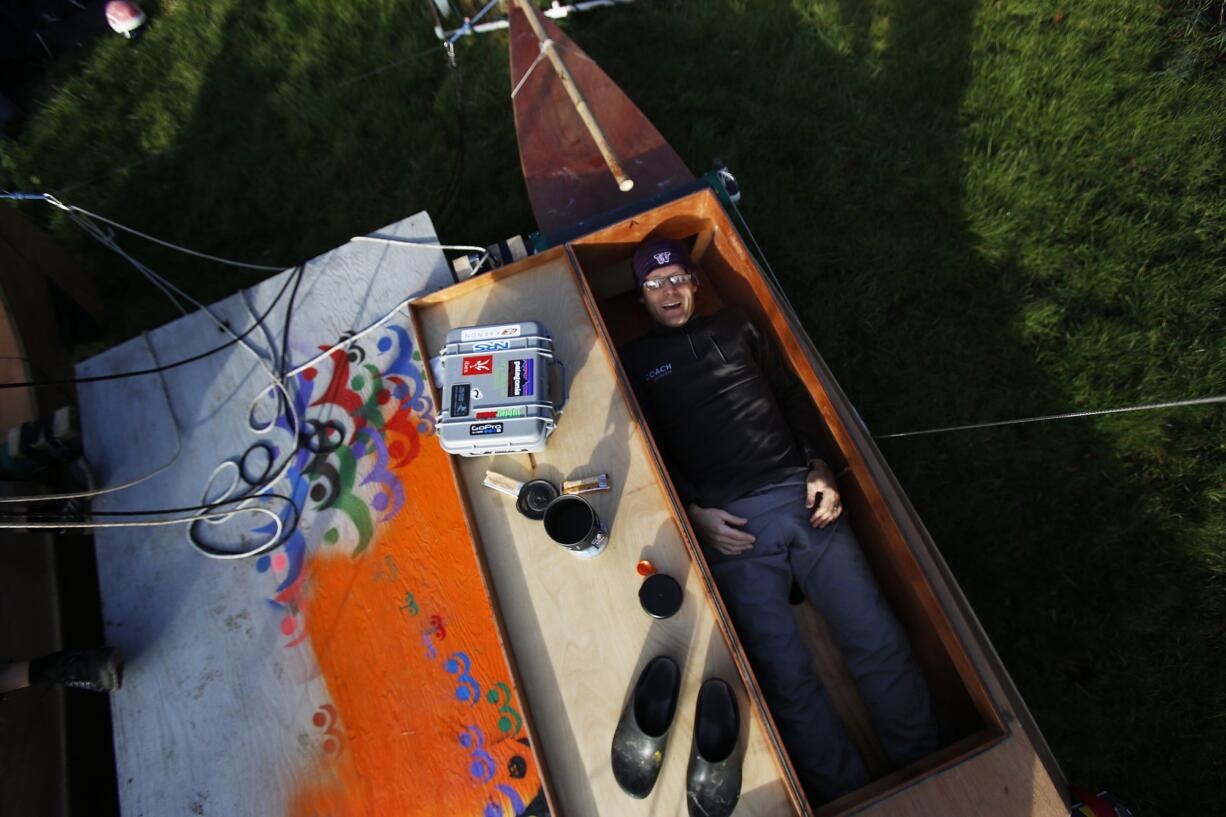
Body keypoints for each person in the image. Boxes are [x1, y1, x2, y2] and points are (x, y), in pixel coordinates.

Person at [619, 237, 939, 803]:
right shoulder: (639, 362)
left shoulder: (736, 326)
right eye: (653, 283)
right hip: (730, 529)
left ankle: (933, 773)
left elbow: (792, 394)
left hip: (800, 495)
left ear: (694, 282)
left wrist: (820, 465)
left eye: (676, 278)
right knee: (784, 677)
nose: (668, 291)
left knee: (878, 637)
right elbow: (648, 446)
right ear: (641, 297)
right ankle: (848, 798)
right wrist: (693, 511)